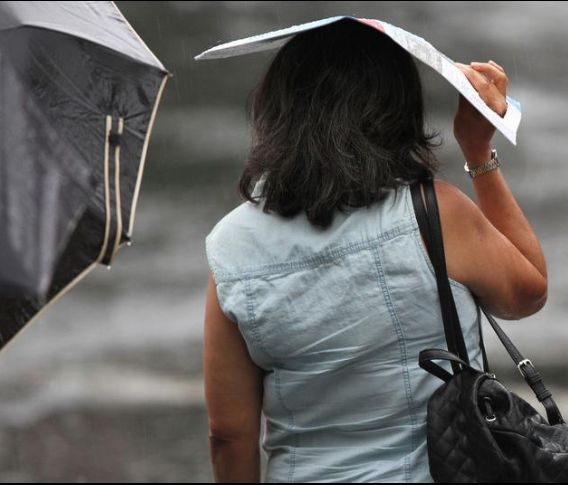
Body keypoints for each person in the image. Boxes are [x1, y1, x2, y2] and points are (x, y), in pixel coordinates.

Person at [202, 19, 547, 483]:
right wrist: (477, 150)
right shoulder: (435, 214)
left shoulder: (232, 248)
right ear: (396, 109)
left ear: (278, 111)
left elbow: (229, 435)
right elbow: (527, 293)